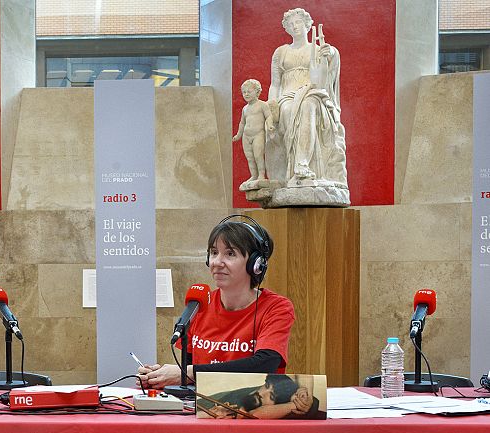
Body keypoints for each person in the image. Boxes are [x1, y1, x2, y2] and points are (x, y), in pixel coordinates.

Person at [138, 216, 295, 389]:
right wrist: (159, 376)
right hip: (202, 403)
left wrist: (188, 373)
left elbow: (264, 365)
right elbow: (189, 370)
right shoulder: (199, 303)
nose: (217, 262)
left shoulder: (277, 307)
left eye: (230, 254)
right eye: (214, 253)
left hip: (251, 402)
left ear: (256, 264)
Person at [267, 8, 347, 188]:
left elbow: (329, 70)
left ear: (307, 25)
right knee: (288, 110)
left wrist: (331, 53)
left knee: (309, 106)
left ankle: (302, 164)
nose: (295, 26)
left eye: (298, 22)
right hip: (288, 96)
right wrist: (271, 108)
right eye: (290, 24)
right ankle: (295, 170)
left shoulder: (317, 49)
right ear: (287, 28)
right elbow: (275, 84)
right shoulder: (281, 52)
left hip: (312, 93)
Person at [232, 79, 274, 188]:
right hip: (246, 136)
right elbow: (242, 122)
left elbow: (268, 116)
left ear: (257, 92)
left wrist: (270, 125)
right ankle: (254, 175)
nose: (246, 94)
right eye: (244, 92)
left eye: (249, 91)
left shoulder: (262, 105)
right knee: (250, 157)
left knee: (258, 155)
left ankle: (261, 175)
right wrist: (238, 135)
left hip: (258, 134)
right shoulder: (245, 109)